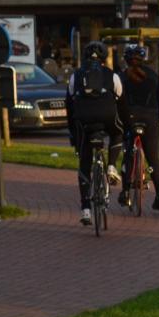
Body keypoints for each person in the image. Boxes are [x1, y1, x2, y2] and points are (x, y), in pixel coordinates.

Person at [66, 40, 124, 226]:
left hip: (83, 121)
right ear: (104, 58)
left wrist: (73, 134)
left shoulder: (76, 76)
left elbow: (69, 104)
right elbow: (120, 100)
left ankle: (85, 209)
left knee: (84, 160)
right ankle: (112, 166)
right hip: (106, 117)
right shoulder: (112, 76)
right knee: (117, 132)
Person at [117, 44, 159, 211]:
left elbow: (117, 100)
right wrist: (158, 119)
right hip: (150, 118)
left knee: (128, 153)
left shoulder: (122, 77)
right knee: (154, 159)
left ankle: (125, 192)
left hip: (129, 117)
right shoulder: (153, 76)